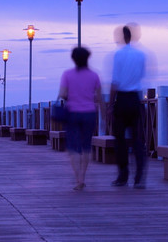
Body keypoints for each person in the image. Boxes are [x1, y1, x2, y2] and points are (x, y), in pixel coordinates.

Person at [58, 47, 103, 191]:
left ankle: (78, 179)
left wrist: (72, 96)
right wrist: (103, 116)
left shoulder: (67, 75)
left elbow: (62, 94)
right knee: (86, 147)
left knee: (73, 148)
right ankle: (83, 176)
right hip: (89, 112)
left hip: (72, 113)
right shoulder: (94, 75)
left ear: (73, 59)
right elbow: (100, 97)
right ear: (87, 58)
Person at [109, 25, 146, 188]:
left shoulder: (118, 55)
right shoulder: (140, 55)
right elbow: (142, 76)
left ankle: (123, 176)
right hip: (135, 98)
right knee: (138, 139)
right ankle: (139, 178)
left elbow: (115, 81)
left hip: (122, 99)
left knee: (120, 140)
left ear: (122, 37)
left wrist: (110, 104)